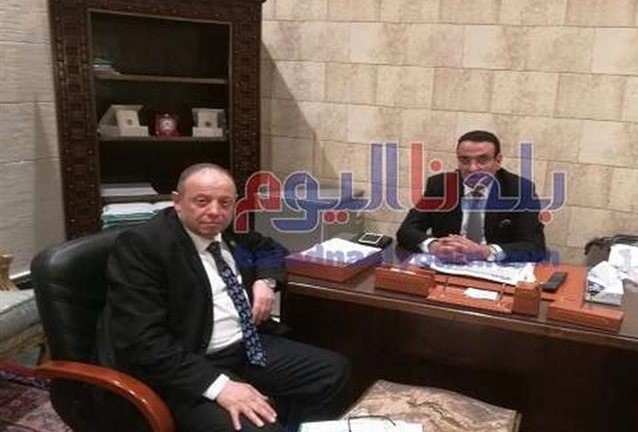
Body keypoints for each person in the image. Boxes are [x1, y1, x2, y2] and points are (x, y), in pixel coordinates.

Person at [97, 163, 350, 432]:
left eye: (225, 203)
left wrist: (266, 282)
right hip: (185, 365)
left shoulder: (226, 231)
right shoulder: (144, 246)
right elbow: (143, 342)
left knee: (333, 373)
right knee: (260, 427)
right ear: (177, 202)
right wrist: (220, 386)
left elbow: (271, 249)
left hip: (245, 347)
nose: (215, 211)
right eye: (202, 201)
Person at [396, 130, 547, 263]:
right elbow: (406, 231)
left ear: (498, 161)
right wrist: (435, 247)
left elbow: (535, 247)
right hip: (447, 265)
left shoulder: (519, 190)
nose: (472, 168)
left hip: (494, 268)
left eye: (482, 160)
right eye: (464, 160)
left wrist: (483, 251)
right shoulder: (440, 185)